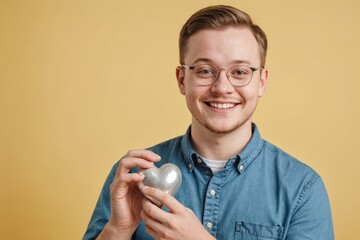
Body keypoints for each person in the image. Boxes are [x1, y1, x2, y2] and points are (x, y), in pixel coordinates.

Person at [83, 5, 334, 240]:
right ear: (182, 80)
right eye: (204, 70)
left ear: (262, 82)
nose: (222, 88)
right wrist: (118, 229)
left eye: (240, 72)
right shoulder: (135, 175)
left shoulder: (303, 188)